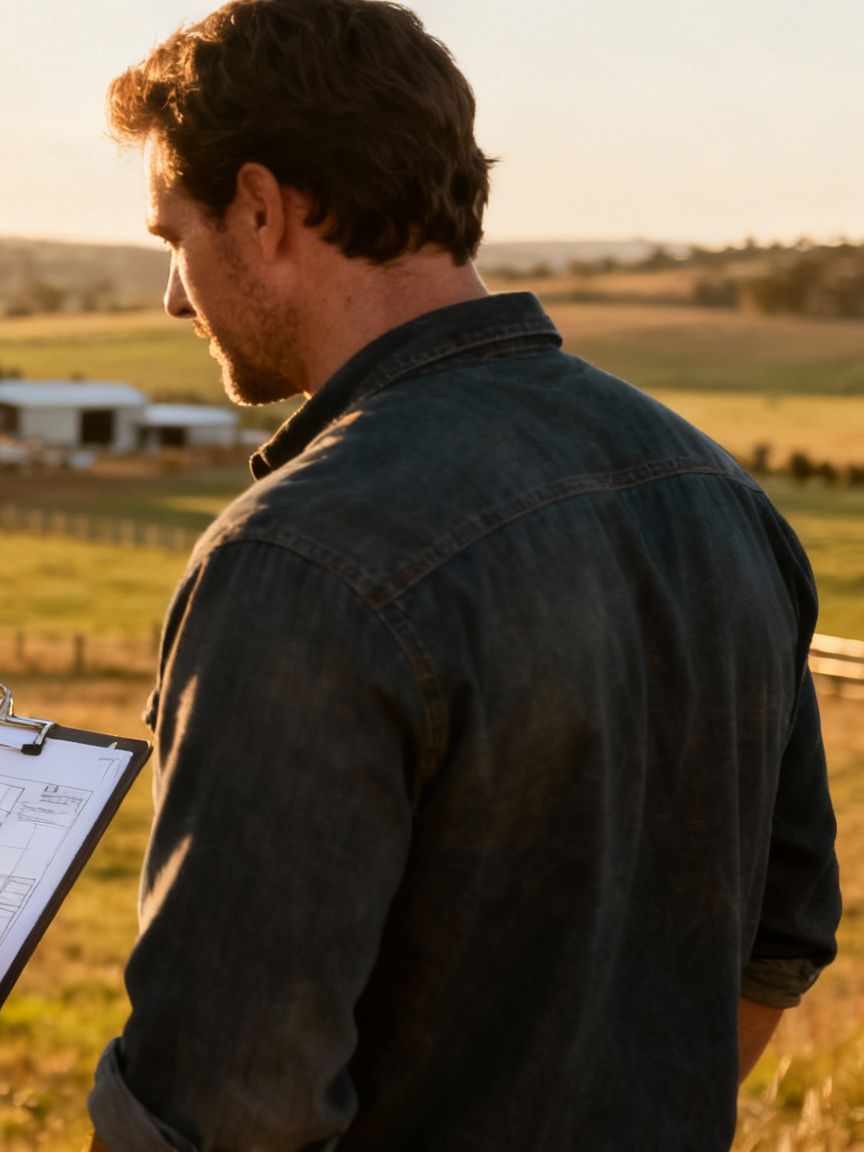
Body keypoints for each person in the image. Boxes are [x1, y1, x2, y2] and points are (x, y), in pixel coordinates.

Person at [86, 3, 840, 1149]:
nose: (174, 297)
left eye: (170, 238)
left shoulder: (295, 561)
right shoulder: (719, 495)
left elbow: (226, 1103)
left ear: (258, 207)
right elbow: (776, 941)